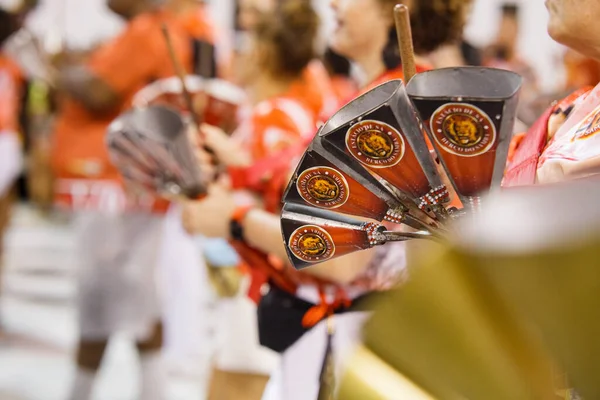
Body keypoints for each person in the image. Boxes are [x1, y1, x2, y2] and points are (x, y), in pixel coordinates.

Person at [182, 1, 471, 399]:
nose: (335, 3)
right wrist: (241, 168)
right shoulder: (380, 94)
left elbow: (341, 259)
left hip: (359, 344)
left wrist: (235, 218)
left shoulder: (391, 103)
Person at [49, 1, 194, 399]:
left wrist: (55, 69)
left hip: (119, 186)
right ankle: (150, 389)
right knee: (130, 298)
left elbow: (99, 90)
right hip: (125, 184)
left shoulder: (149, 30)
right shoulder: (145, 30)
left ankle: (86, 391)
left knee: (104, 298)